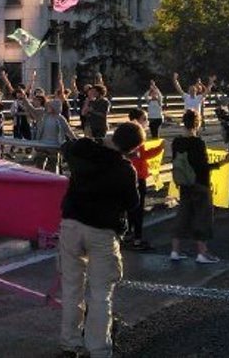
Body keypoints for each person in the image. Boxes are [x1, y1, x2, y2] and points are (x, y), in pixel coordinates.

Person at [58, 122, 143, 358]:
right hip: (103, 231)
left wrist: (98, 140)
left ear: (113, 133)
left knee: (72, 288)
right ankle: (98, 349)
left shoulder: (84, 149)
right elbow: (132, 204)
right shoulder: (125, 170)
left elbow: (68, 147)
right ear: (133, 148)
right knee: (100, 294)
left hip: (72, 223)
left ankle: (69, 343)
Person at [171, 110, 229, 262]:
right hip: (200, 184)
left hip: (184, 183)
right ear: (197, 124)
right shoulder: (198, 143)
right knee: (202, 217)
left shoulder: (176, 142)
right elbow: (202, 166)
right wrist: (222, 162)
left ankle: (175, 251)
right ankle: (202, 253)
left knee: (183, 216)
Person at [125, 109, 165, 251]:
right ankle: (137, 239)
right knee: (138, 208)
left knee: (129, 208)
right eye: (144, 118)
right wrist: (159, 149)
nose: (146, 121)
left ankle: (128, 234)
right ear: (137, 120)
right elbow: (141, 156)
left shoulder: (126, 133)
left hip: (128, 176)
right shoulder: (137, 136)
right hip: (138, 176)